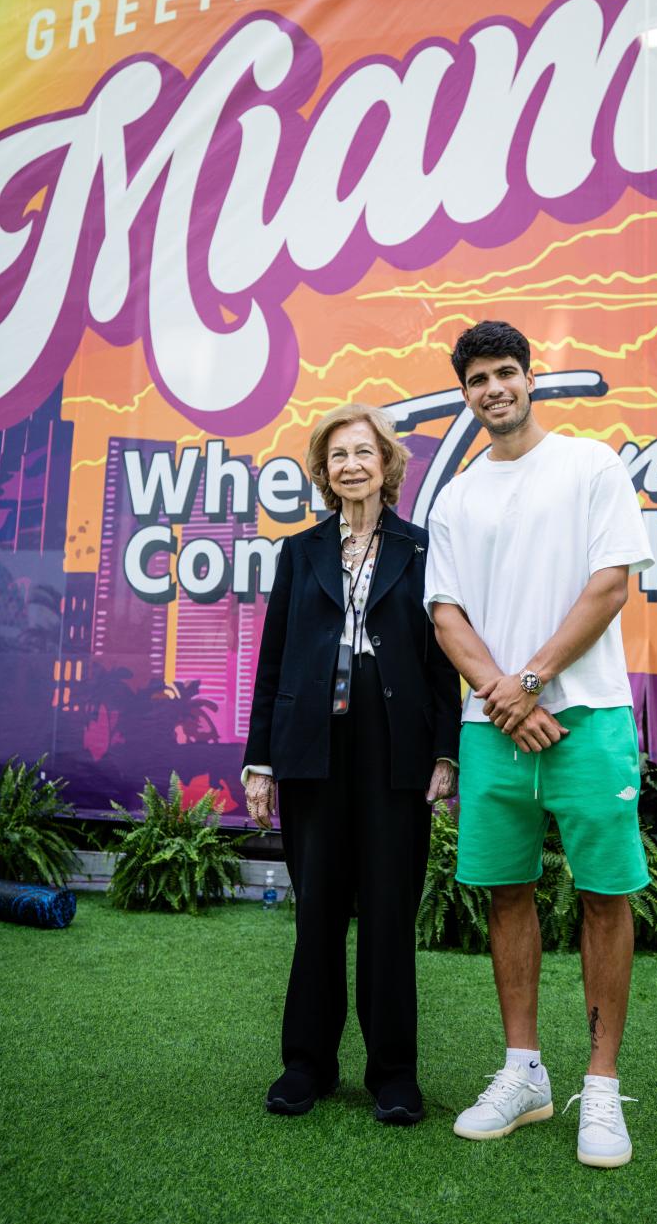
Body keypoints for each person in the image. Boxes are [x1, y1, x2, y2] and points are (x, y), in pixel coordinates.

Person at [424, 320, 654, 1168]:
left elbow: (610, 584)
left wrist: (530, 680)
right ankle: (525, 1073)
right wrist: (506, 696)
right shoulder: (455, 498)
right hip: (494, 726)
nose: (494, 388)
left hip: (587, 716)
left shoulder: (590, 465)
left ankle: (601, 1083)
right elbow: (446, 614)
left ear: (531, 378)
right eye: (478, 378)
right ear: (466, 393)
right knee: (506, 893)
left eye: (506, 372)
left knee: (604, 894)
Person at [243, 402, 459, 1126]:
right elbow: (273, 660)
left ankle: (393, 1073)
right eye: (338, 455)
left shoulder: (421, 548)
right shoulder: (300, 551)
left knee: (390, 911)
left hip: (396, 745)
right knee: (318, 910)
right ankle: (306, 1063)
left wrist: (445, 751)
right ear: (324, 470)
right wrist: (260, 760)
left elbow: (443, 661)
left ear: (386, 462)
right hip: (311, 743)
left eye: (364, 451)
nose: (352, 465)